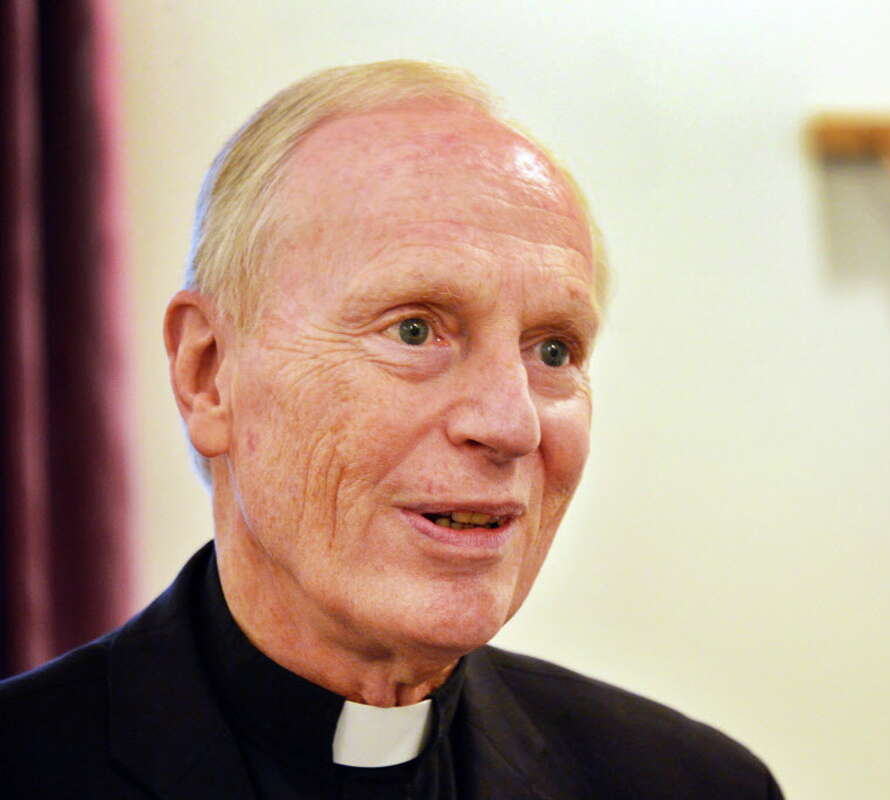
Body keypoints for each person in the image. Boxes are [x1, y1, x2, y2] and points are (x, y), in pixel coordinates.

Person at [0, 60, 783, 798]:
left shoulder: (690, 783)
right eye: (415, 331)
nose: (510, 425)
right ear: (209, 374)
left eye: (553, 350)